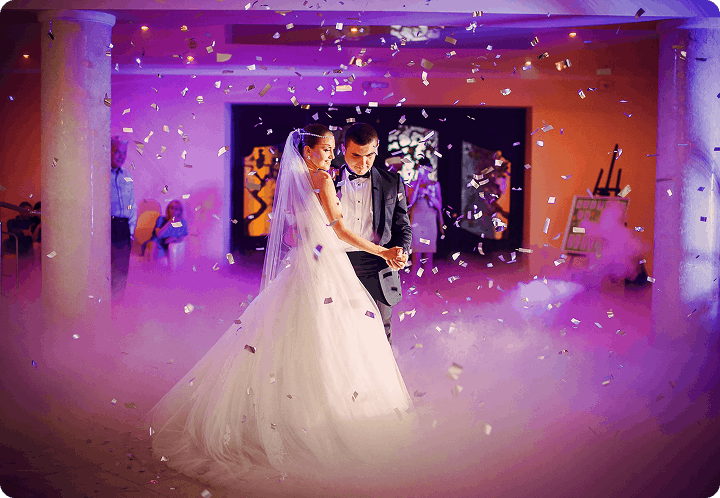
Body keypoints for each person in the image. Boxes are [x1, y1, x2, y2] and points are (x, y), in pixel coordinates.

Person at [144, 125, 415, 487]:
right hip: (329, 265)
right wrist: (381, 250)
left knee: (327, 335)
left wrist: (387, 250)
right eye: (330, 150)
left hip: (316, 264)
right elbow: (335, 231)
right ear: (310, 152)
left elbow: (291, 232)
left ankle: (317, 409)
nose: (334, 156)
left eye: (335, 150)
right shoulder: (325, 178)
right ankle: (326, 416)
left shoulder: (300, 179)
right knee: (333, 338)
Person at [334, 122, 412, 345]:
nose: (363, 163)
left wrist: (402, 252)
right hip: (337, 263)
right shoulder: (328, 181)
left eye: (369, 155)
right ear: (343, 149)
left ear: (377, 148)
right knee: (339, 332)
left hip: (379, 264)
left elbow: (403, 227)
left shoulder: (392, 182)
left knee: (381, 333)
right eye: (356, 155)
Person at [110, 136, 137, 301]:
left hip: (123, 227)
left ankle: (118, 305)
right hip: (106, 225)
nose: (121, 156)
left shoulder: (127, 175)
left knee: (121, 270)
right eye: (117, 152)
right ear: (109, 151)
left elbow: (132, 205)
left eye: (124, 153)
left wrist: (131, 232)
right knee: (105, 268)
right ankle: (103, 307)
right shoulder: (99, 174)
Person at [408, 157, 444, 270]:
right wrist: (418, 182)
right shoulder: (412, 183)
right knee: (416, 258)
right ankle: (415, 280)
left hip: (430, 221)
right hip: (416, 221)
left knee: (429, 259)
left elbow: (439, 205)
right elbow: (411, 201)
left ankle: (429, 281)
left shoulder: (435, 184)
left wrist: (428, 193)